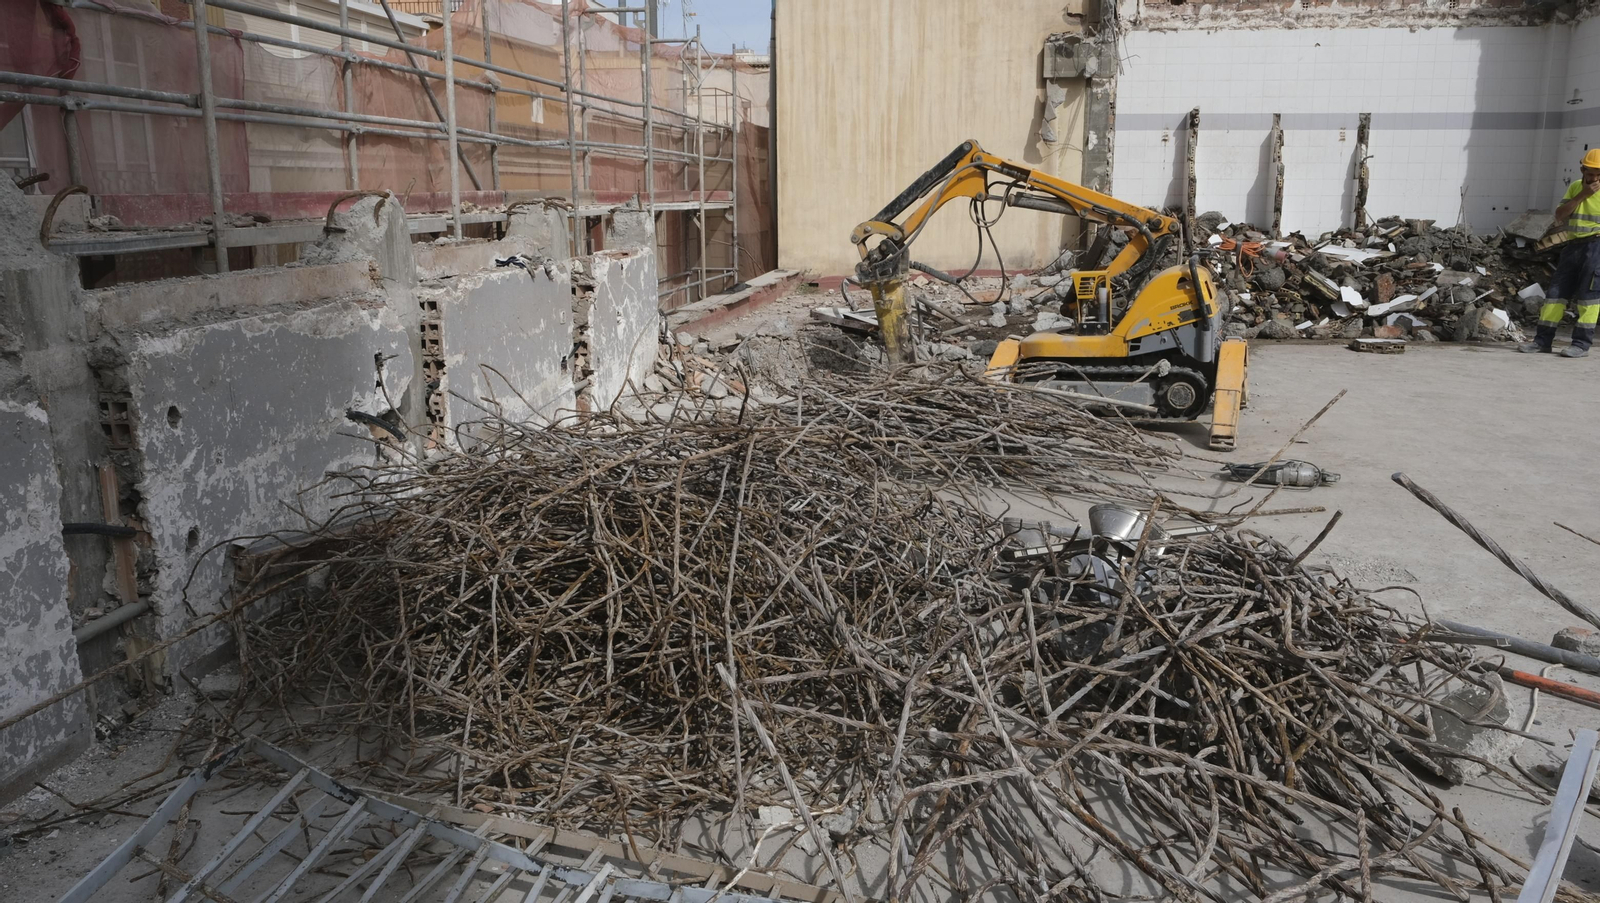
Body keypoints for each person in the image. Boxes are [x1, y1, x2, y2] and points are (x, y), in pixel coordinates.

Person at [1521, 149, 1600, 357]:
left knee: (1588, 298)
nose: (1595, 178)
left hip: (1597, 247)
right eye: (1591, 173)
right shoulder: (1575, 187)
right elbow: (1560, 216)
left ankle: (1581, 345)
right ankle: (1542, 341)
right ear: (1583, 169)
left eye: (1599, 173)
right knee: (1555, 295)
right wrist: (1583, 195)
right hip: (1573, 246)